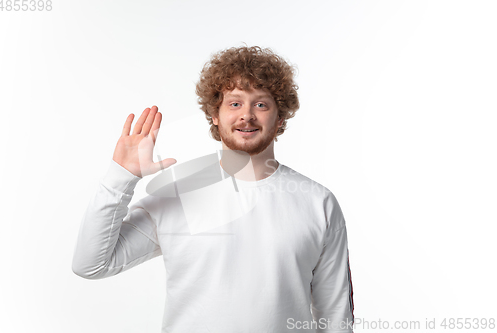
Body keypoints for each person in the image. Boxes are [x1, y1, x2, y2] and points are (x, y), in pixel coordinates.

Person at [72, 46, 354, 333]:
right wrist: (121, 177)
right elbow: (91, 264)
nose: (247, 115)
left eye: (261, 104)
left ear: (280, 118)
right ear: (215, 116)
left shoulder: (318, 202)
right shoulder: (176, 195)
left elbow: (335, 315)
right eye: (234, 104)